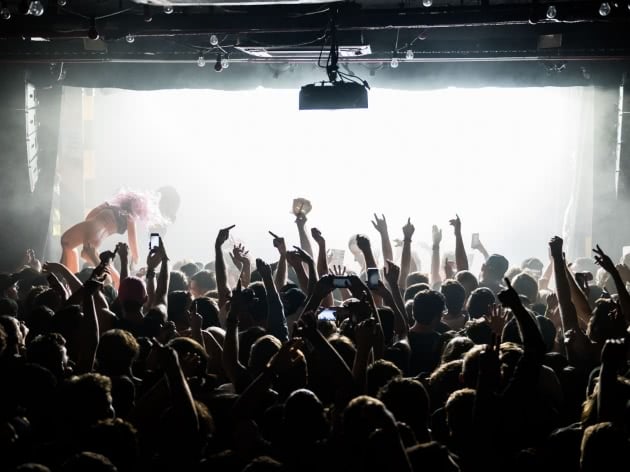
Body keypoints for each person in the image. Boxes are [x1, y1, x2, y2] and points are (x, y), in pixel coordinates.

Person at [60, 189, 179, 274]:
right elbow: (134, 239)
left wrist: (136, 258)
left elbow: (136, 239)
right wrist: (135, 257)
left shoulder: (128, 215)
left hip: (94, 230)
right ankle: (69, 280)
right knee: (71, 246)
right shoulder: (125, 214)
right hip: (96, 232)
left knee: (73, 246)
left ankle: (71, 280)